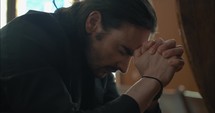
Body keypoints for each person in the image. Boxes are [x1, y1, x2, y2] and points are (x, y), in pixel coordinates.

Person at [0, 0, 184, 113]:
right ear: (93, 22)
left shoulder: (95, 65)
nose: (124, 67)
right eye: (123, 51)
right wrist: (151, 81)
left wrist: (151, 92)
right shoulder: (26, 37)